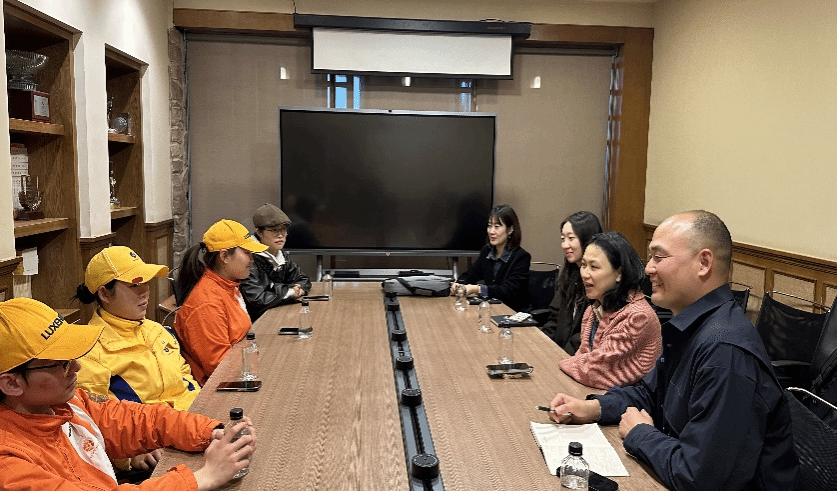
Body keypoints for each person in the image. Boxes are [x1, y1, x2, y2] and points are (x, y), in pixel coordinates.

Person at [549, 211, 798, 490]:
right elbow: (649, 394)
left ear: (704, 263)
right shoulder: (692, 327)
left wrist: (640, 433)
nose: (648, 269)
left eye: (659, 257)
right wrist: (593, 408)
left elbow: (701, 477)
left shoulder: (725, 352)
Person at [0, 297, 256, 490]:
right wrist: (204, 477)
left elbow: (141, 420)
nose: (77, 367)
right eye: (62, 363)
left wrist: (212, 431)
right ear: (11, 384)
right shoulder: (8, 462)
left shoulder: (66, 404)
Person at [73, 246, 201, 474]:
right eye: (134, 284)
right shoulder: (89, 352)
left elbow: (186, 379)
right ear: (104, 294)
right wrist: (129, 456)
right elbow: (92, 424)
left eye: (146, 282)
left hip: (193, 428)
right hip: (156, 453)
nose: (145, 291)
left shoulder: (157, 331)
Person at [557, 232, 661, 389]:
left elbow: (593, 372)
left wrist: (564, 362)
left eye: (594, 267)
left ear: (619, 273)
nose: (584, 274)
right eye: (584, 265)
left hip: (628, 401)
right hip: (594, 393)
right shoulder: (593, 310)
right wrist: (576, 363)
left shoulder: (638, 316)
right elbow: (583, 358)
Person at [175, 219, 268, 385]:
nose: (252, 259)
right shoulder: (207, 304)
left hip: (242, 373)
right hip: (221, 388)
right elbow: (220, 368)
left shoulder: (228, 286)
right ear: (224, 256)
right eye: (247, 252)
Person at [540, 211, 603, 353]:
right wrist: (540, 345)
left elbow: (586, 335)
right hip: (558, 352)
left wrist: (561, 357)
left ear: (587, 239)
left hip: (577, 356)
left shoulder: (599, 280)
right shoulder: (570, 274)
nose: (565, 245)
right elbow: (554, 319)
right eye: (563, 239)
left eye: (571, 238)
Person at [450, 204, 531, 312]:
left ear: (510, 229)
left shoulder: (521, 257)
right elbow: (469, 275)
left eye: (497, 227)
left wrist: (477, 289)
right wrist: (459, 284)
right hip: (490, 309)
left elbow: (507, 291)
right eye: (489, 226)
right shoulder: (487, 252)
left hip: (512, 312)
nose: (491, 231)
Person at [240, 203, 312, 322]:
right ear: (259, 232)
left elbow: (303, 279)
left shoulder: (280, 254)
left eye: (283, 230)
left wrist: (296, 289)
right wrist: (289, 291)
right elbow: (257, 298)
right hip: (257, 321)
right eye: (274, 230)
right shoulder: (249, 258)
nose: (280, 235)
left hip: (279, 314)